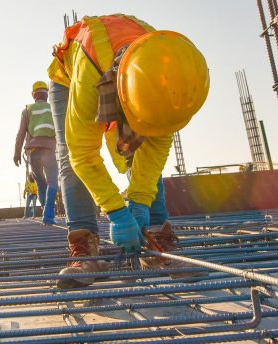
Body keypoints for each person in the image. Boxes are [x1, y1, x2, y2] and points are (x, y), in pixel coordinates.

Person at [47, 14, 209, 287]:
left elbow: (156, 148)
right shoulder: (90, 78)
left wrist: (140, 202)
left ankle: (156, 238)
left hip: (130, 72)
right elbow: (83, 154)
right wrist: (117, 212)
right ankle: (86, 249)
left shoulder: (171, 73)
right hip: (73, 77)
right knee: (68, 155)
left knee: (143, 144)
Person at [14, 81, 59, 225]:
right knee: (53, 182)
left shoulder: (27, 110)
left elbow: (21, 134)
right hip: (50, 150)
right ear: (47, 94)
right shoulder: (54, 108)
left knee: (40, 183)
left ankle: (45, 209)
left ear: (33, 95)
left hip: (33, 152)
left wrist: (16, 153)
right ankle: (49, 214)